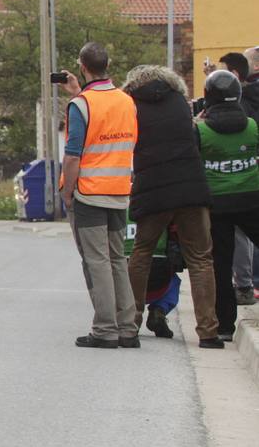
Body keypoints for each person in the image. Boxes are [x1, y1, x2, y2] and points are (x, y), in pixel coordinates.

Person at [120, 65, 216, 348]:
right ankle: (208, 331)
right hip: (191, 186)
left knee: (142, 252)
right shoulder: (178, 101)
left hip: (153, 190)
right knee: (201, 258)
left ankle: (130, 324)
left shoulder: (131, 105)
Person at [58, 41, 138, 349]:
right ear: (107, 65)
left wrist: (68, 192)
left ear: (82, 66)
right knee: (118, 258)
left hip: (89, 193)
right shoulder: (126, 101)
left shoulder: (81, 106)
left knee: (96, 261)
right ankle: (128, 327)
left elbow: (74, 154)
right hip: (120, 190)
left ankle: (105, 329)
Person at [197, 69, 259, 347]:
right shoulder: (252, 126)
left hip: (217, 205)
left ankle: (223, 325)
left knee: (220, 266)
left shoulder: (200, 129)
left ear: (208, 96)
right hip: (252, 199)